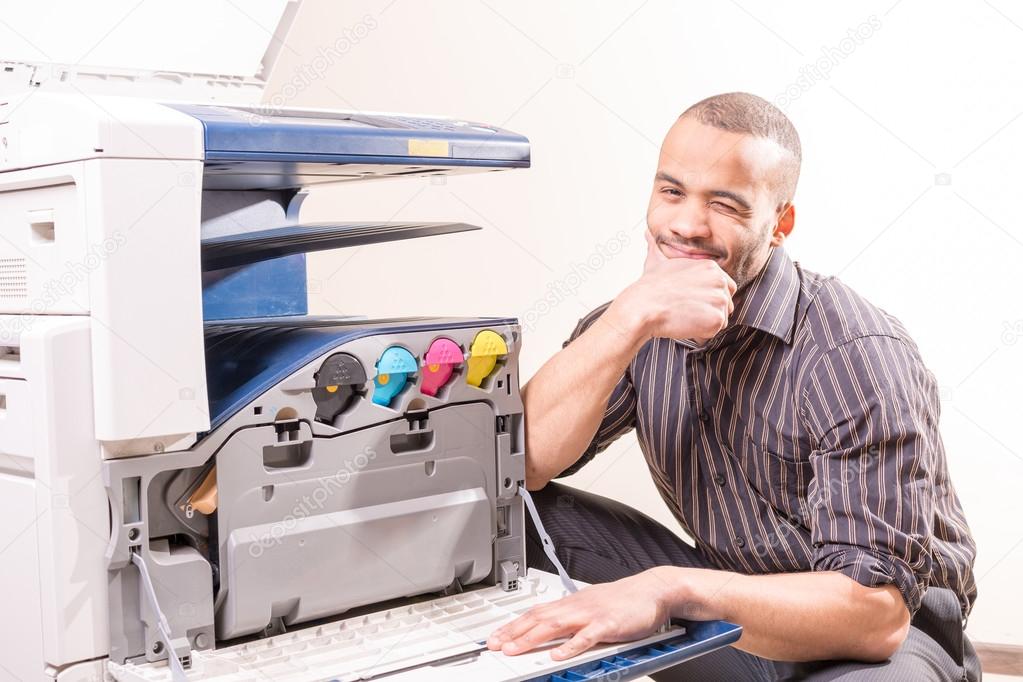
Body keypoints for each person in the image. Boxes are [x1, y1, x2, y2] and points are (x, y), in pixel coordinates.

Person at [487, 92, 979, 680]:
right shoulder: (639, 321)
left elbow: (876, 614)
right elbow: (522, 469)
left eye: (725, 205)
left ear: (780, 223)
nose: (687, 224)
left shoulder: (856, 354)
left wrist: (672, 588)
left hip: (877, 641)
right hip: (735, 615)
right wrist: (626, 320)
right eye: (672, 192)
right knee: (507, 515)